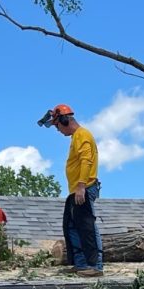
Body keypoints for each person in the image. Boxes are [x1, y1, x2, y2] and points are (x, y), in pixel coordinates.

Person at [38, 104, 103, 276]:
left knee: (87, 227)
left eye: (57, 126)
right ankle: (81, 263)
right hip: (76, 189)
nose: (58, 130)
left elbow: (86, 160)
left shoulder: (82, 135)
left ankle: (95, 266)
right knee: (72, 226)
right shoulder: (76, 137)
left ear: (65, 120)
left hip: (84, 187)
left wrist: (81, 186)